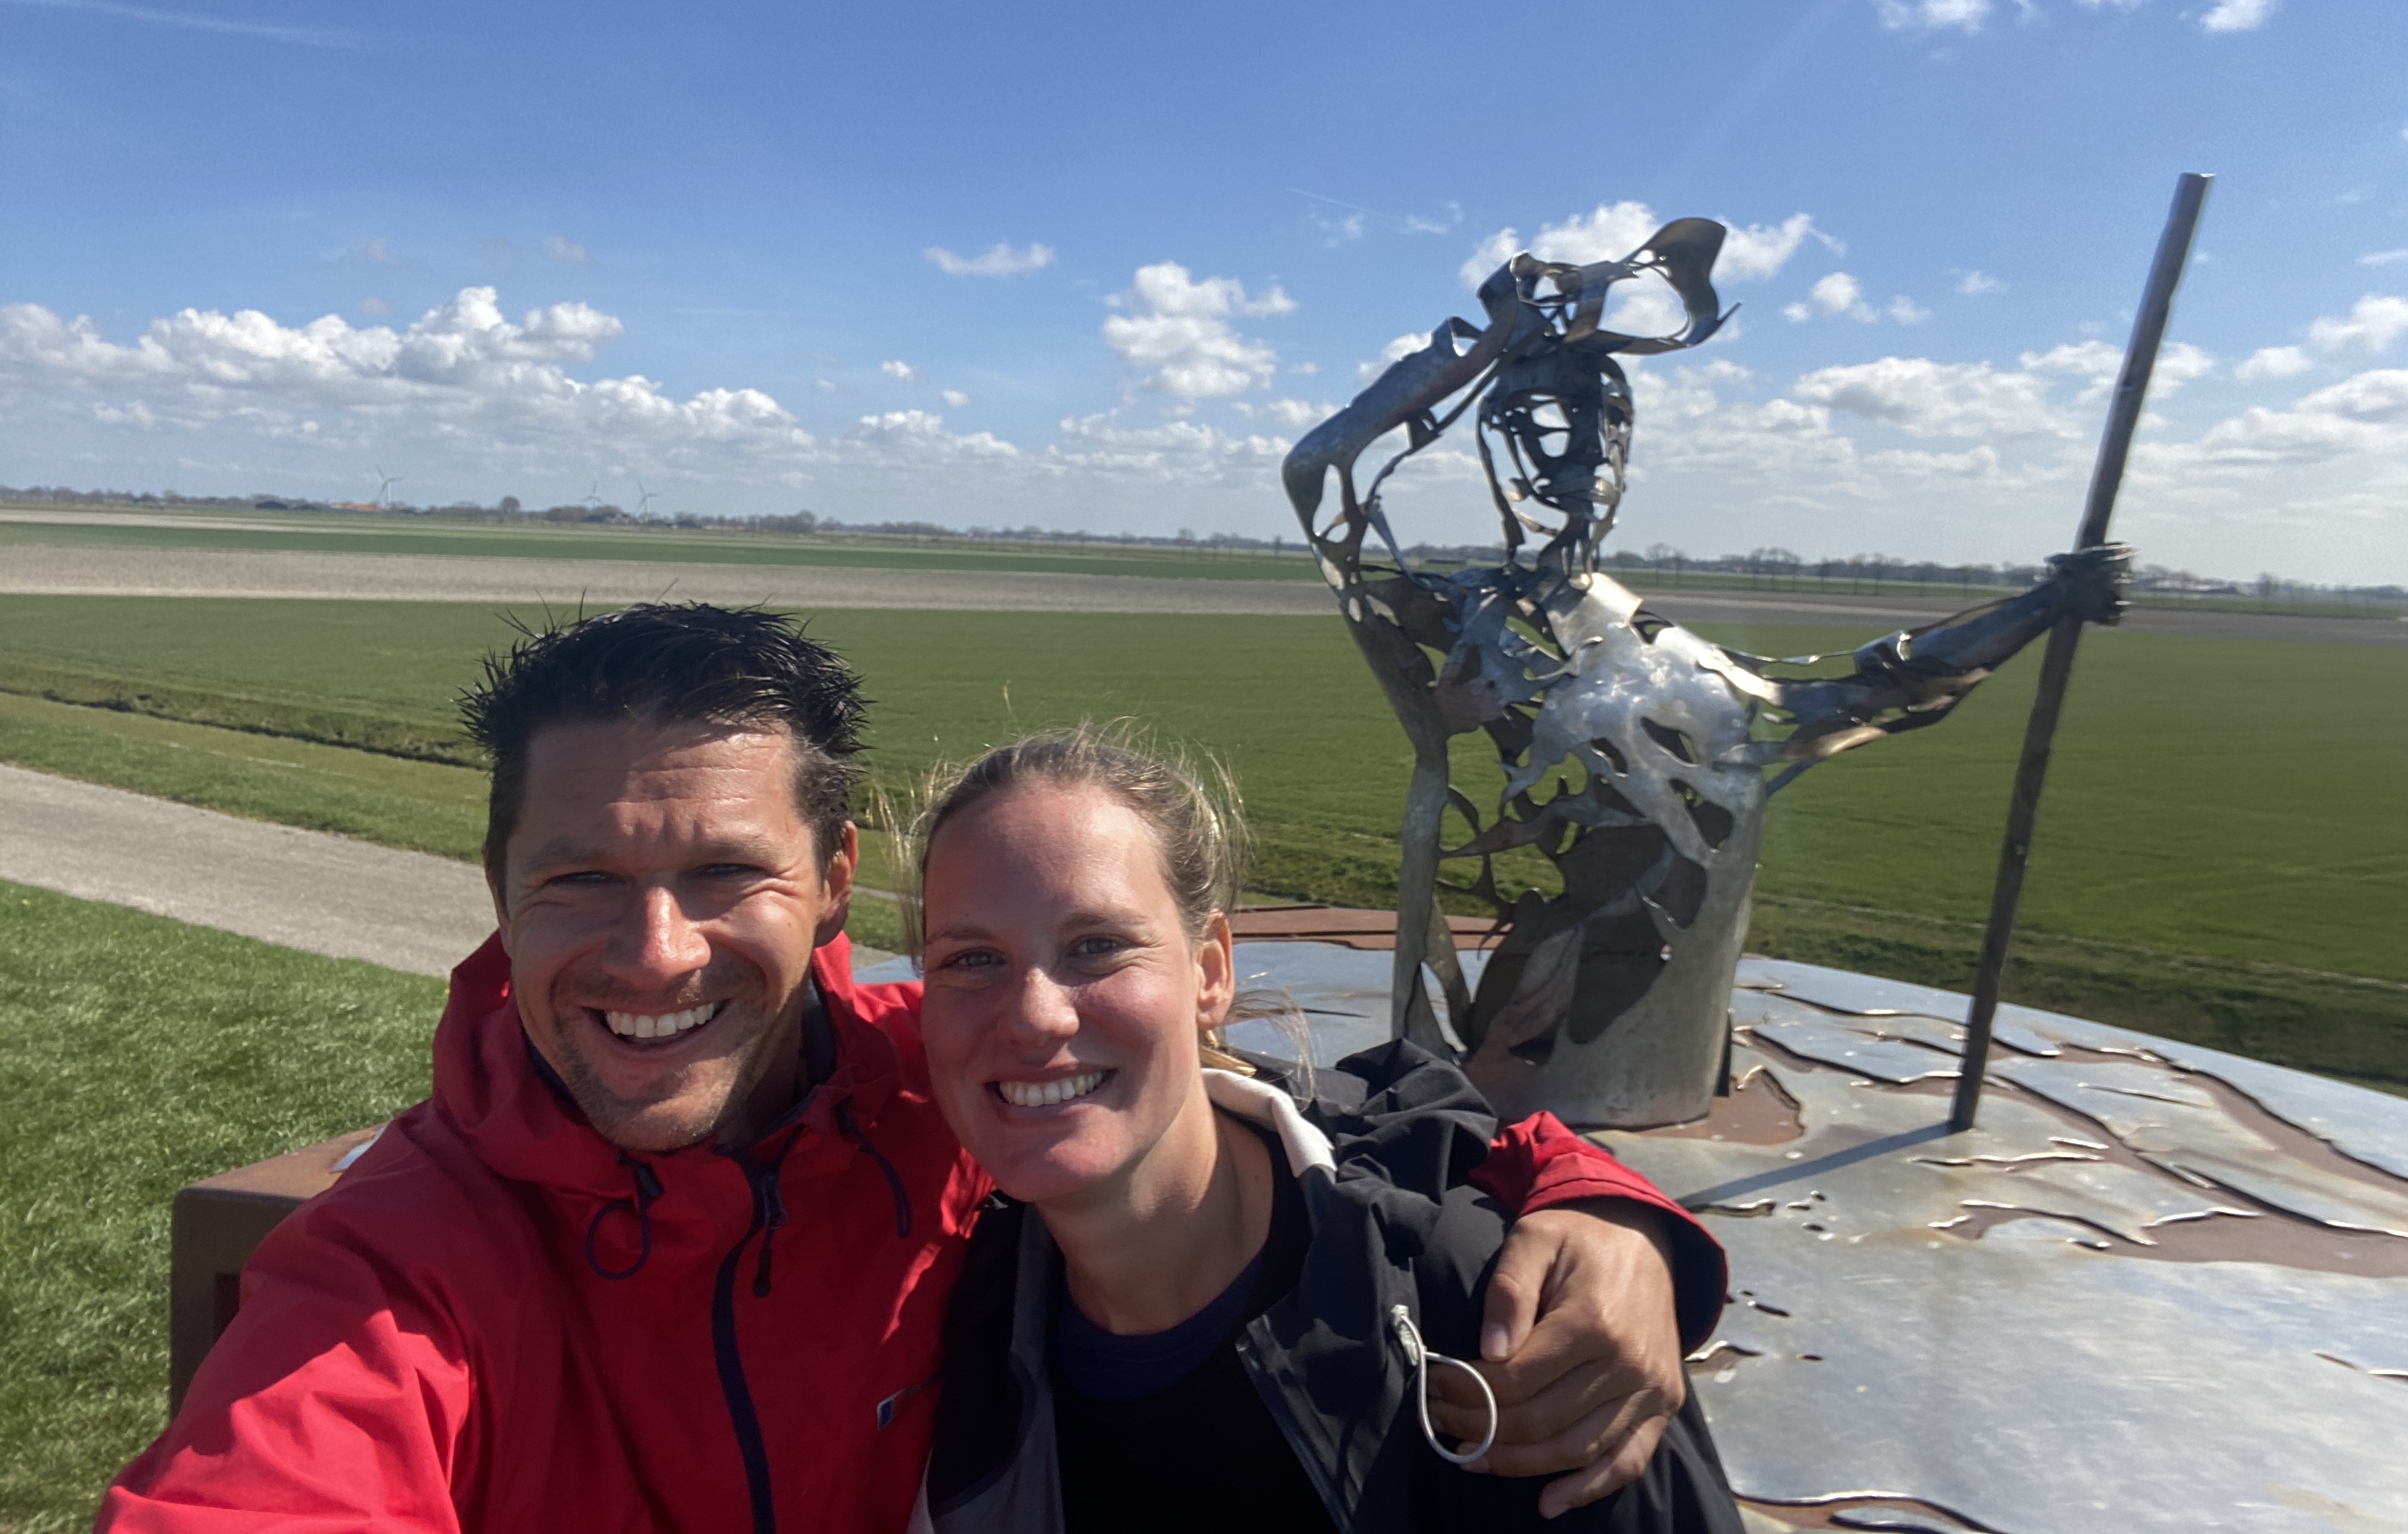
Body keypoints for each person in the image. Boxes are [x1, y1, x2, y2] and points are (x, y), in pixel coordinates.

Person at [99, 604, 1726, 1533]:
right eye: (581, 878)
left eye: (723, 873)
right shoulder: (398, 1267)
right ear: (499, 893)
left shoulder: (945, 1079)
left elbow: (1365, 1112)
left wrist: (1612, 1211)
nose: (655, 953)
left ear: (830, 888)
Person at [909, 729, 1743, 1533]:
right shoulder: (968, 1326)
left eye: (1097, 945)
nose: (1035, 1016)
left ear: (1209, 974)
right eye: (971, 959)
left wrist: (1613, 1208)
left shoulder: (1496, 1311)